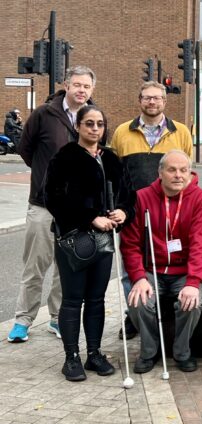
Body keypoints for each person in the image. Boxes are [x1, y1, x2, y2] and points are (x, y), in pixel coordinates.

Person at [44, 105, 134, 381]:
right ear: (79, 127)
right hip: (74, 238)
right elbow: (53, 197)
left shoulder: (111, 158)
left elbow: (127, 193)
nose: (95, 129)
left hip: (104, 240)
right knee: (72, 299)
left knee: (96, 299)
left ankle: (94, 353)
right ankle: (71, 357)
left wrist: (123, 211)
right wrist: (90, 218)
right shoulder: (65, 157)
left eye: (100, 124)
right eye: (89, 124)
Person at [9, 66, 96, 343]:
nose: (82, 90)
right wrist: (45, 175)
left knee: (66, 267)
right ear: (66, 85)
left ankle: (58, 318)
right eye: (77, 85)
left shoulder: (92, 118)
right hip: (43, 205)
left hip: (76, 210)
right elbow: (25, 149)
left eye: (87, 86)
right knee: (35, 265)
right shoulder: (44, 114)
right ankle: (23, 320)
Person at [110, 80, 194, 340]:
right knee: (130, 268)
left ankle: (162, 316)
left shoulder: (180, 132)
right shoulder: (122, 132)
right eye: (147, 97)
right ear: (139, 100)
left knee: (163, 262)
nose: (152, 102)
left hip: (169, 212)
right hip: (133, 212)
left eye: (157, 98)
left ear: (165, 102)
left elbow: (187, 172)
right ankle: (134, 317)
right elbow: (114, 173)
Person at [121, 150, 202, 374]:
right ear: (160, 172)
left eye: (183, 170)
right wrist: (139, 278)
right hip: (153, 270)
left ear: (189, 173)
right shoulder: (141, 198)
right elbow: (130, 245)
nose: (178, 175)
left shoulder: (198, 198)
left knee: (192, 302)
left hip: (183, 272)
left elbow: (200, 244)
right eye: (172, 170)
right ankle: (149, 351)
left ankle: (181, 351)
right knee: (138, 300)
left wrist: (193, 282)